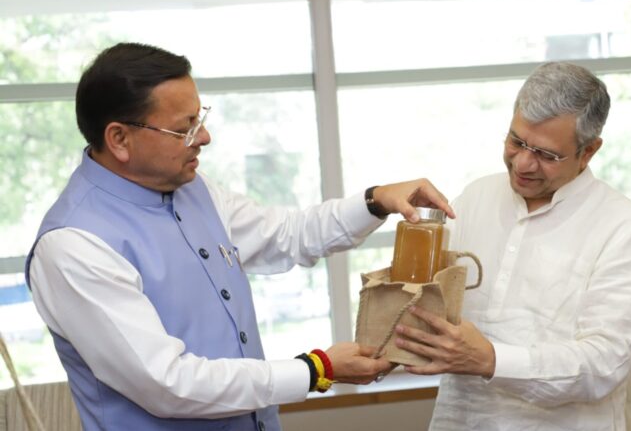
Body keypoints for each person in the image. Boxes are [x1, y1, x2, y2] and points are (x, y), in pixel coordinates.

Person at [24, 42, 454, 431]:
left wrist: (375, 200)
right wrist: (316, 369)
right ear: (119, 138)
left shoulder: (193, 189)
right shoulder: (73, 246)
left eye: (200, 119)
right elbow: (168, 384)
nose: (204, 137)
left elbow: (287, 235)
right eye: (184, 128)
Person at [394, 62, 631, 430]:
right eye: (516, 142)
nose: (523, 164)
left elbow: (603, 364)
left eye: (547, 155)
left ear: (589, 151)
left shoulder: (622, 227)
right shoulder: (476, 197)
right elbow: (428, 301)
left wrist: (492, 360)